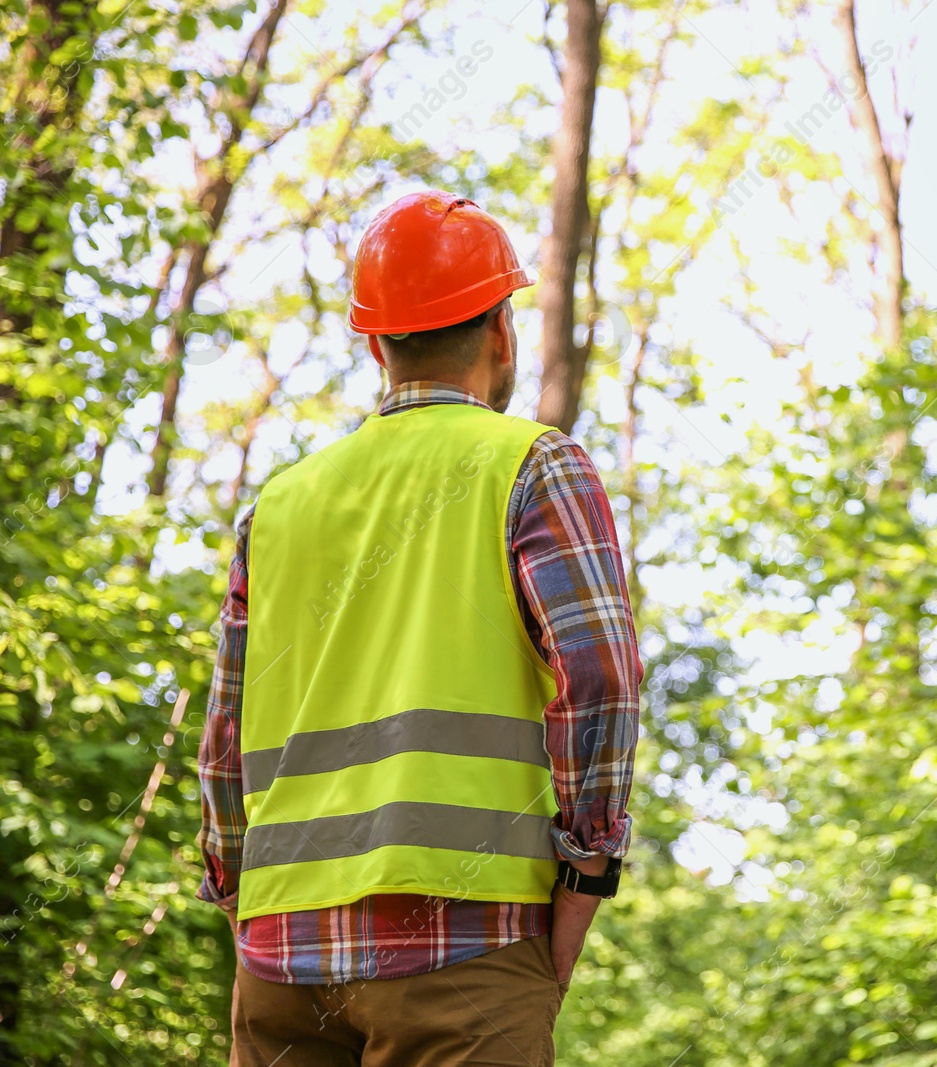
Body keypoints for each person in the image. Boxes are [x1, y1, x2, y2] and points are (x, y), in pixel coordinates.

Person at [197, 190, 641, 1066]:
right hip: (463, 943)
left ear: (375, 343)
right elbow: (599, 679)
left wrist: (240, 897)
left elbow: (225, 731)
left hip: (280, 959)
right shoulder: (533, 464)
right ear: (501, 330)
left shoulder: (280, 505)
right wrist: (589, 868)